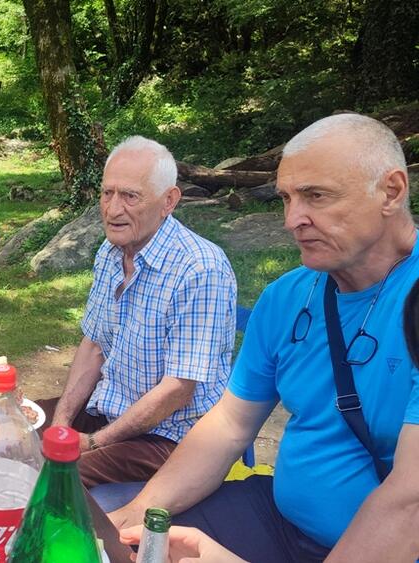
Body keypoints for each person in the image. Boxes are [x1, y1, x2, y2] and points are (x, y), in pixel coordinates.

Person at [110, 113, 419, 562]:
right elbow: (230, 424)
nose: (293, 219)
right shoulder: (287, 297)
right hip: (278, 519)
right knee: (131, 550)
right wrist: (138, 512)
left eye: (316, 196)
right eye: (286, 199)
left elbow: (409, 502)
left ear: (390, 191)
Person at [50, 136, 236, 488]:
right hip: (112, 407)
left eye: (130, 196)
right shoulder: (110, 252)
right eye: (107, 193)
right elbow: (93, 345)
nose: (112, 209)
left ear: (169, 201)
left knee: (54, 481)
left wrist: (91, 443)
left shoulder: (200, 268)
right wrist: (61, 422)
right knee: (11, 430)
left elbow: (178, 390)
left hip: (172, 436)